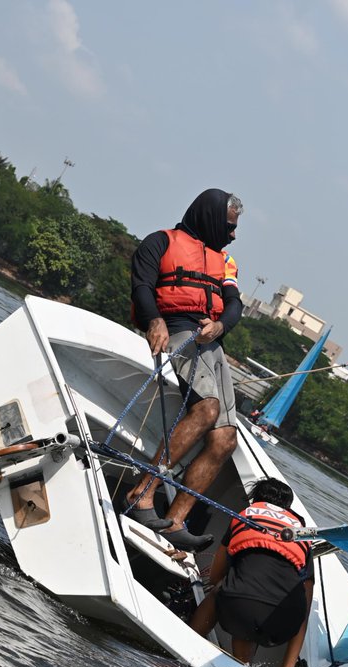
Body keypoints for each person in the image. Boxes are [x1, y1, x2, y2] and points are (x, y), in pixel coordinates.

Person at [127, 189, 245, 551]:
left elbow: (234, 303)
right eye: (229, 227)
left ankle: (176, 520)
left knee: (226, 440)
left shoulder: (224, 261)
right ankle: (142, 494)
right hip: (177, 330)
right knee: (207, 408)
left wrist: (222, 325)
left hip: (211, 342)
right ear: (211, 219)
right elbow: (142, 286)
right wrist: (154, 321)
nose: (233, 234)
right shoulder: (161, 242)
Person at [190, 478, 314, 667]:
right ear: (288, 509)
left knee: (227, 591)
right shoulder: (300, 533)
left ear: (256, 500)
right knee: (250, 609)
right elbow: (305, 609)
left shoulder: (247, 514)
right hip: (285, 622)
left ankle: (190, 640)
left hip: (241, 608)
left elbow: (215, 576)